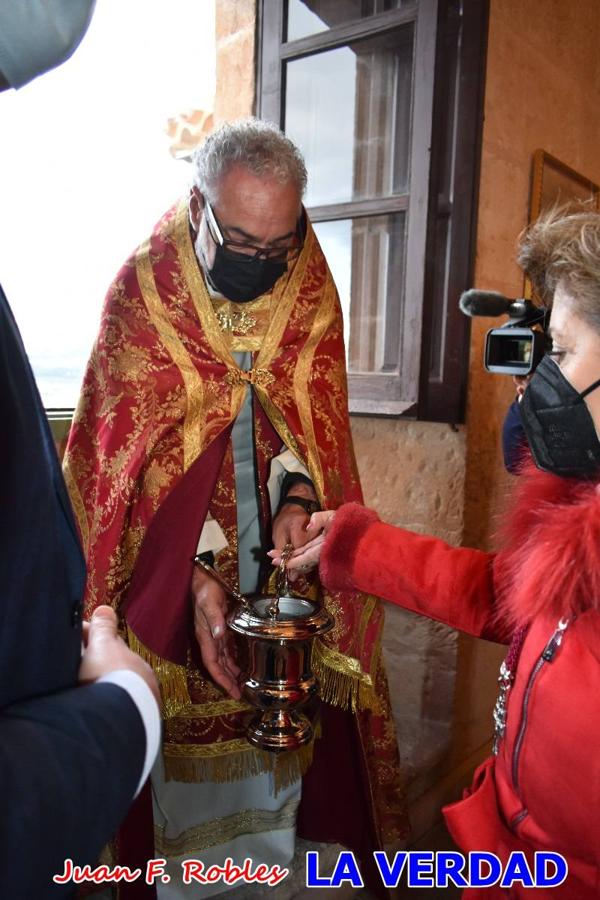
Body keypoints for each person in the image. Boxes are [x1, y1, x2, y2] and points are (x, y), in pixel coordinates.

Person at [63, 119, 406, 898]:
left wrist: (299, 493)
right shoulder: (140, 294)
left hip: (279, 585)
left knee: (287, 793)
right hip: (170, 581)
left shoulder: (309, 281)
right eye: (241, 244)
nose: (263, 264)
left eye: (276, 248)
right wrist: (190, 570)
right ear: (198, 205)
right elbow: (117, 474)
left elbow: (309, 422)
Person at [283, 207, 600, 898]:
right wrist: (357, 545)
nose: (540, 379)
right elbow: (516, 601)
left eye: (566, 352)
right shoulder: (587, 511)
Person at [0, 2, 161, 898]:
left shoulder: (314, 302)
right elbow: (112, 456)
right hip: (123, 644)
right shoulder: (146, 291)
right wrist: (127, 708)